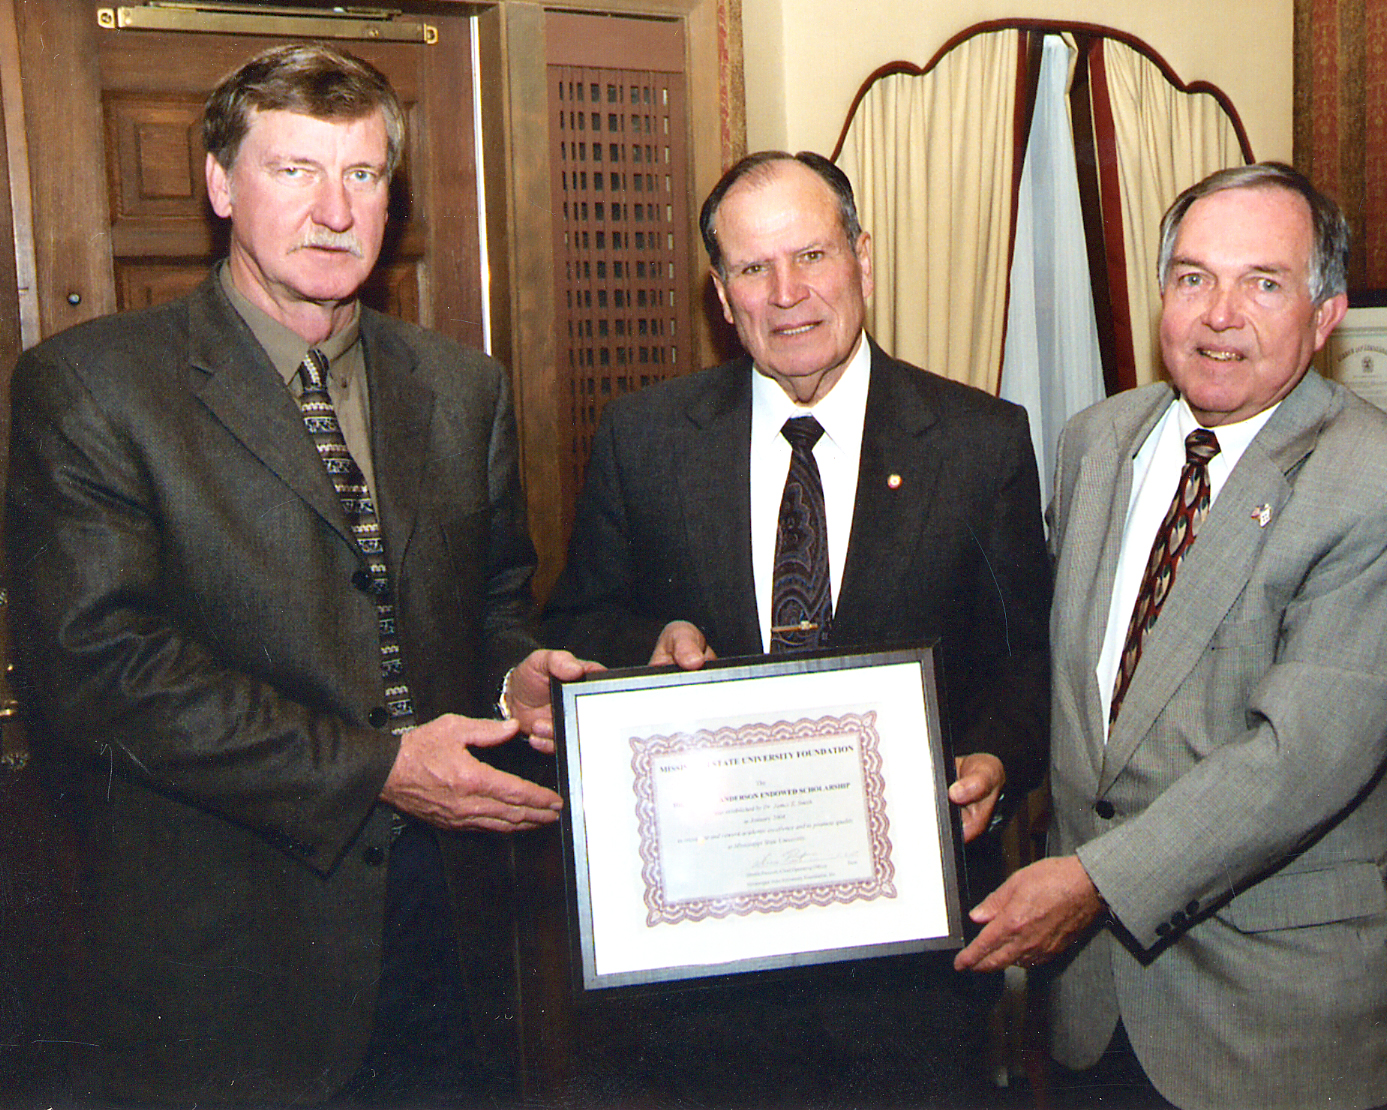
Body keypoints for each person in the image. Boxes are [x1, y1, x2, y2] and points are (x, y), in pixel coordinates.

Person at [4, 43, 597, 1107]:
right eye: (294, 171)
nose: (334, 210)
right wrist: (374, 768)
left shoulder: (464, 390)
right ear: (221, 185)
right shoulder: (92, 388)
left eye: (362, 175)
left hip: (449, 937)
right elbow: (102, 669)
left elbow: (494, 599)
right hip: (232, 958)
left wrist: (516, 679)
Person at [543, 151, 1051, 1105]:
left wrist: (993, 758)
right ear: (719, 292)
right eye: (751, 268)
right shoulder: (645, 437)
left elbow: (1028, 660)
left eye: (811, 255)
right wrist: (646, 646)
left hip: (907, 970)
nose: (787, 295)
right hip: (702, 961)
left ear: (862, 255)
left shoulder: (980, 441)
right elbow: (581, 619)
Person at [954, 162, 1387, 1110]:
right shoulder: (1097, 440)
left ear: (1325, 315)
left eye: (1262, 283)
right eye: (1192, 278)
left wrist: (1092, 883)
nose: (1218, 314)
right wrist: (993, 752)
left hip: (1283, 1030)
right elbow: (1067, 677)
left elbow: (1296, 759)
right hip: (1092, 1008)